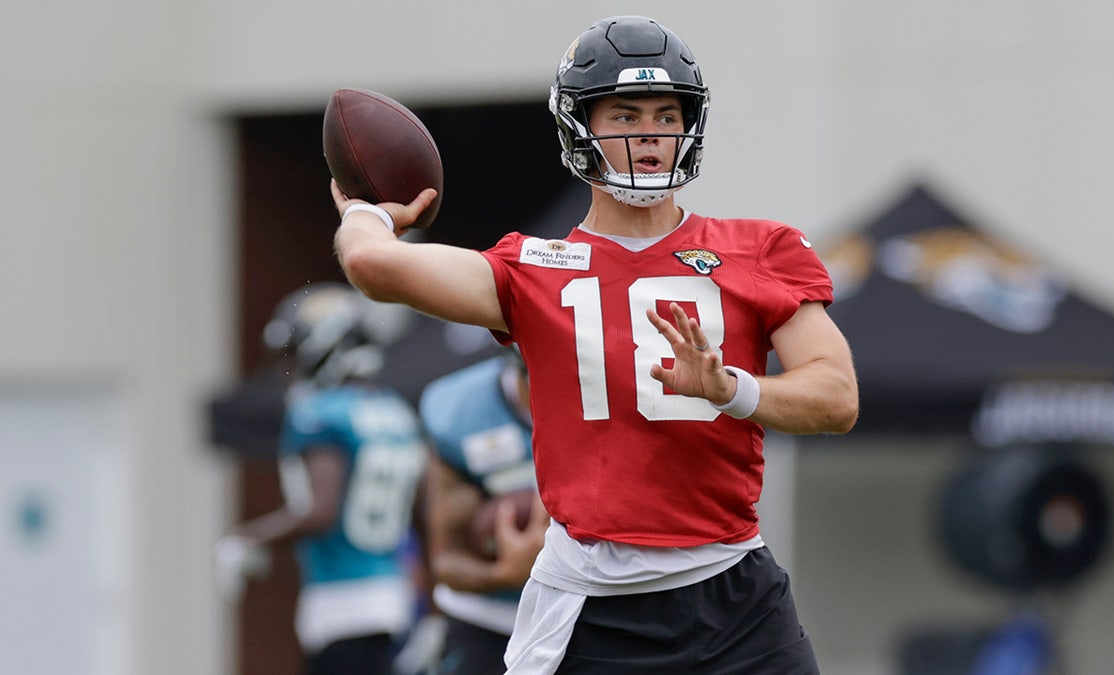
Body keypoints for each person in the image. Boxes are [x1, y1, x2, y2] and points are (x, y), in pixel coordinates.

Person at [331, 15, 859, 674]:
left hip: (734, 593)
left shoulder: (759, 249)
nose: (651, 136)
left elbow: (836, 396)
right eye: (626, 114)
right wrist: (366, 210)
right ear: (579, 125)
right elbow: (374, 268)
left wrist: (731, 388)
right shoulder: (532, 268)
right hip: (591, 602)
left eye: (668, 115)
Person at [215, 282, 431, 675]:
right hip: (393, 595)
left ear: (325, 346)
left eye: (297, 352)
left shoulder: (320, 412)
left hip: (342, 602)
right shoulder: (395, 411)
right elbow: (423, 510)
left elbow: (319, 511)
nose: (293, 366)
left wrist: (248, 538)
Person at [418, 345, 548, 675]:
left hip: (591, 608)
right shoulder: (462, 411)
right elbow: (446, 560)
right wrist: (506, 574)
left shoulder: (621, 399)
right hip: (490, 618)